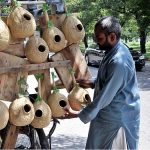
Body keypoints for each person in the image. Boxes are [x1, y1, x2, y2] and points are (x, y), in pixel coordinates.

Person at [64, 16, 140, 149]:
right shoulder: (112, 51)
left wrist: (78, 114)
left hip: (118, 119)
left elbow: (105, 97)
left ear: (112, 37)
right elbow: (110, 81)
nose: (96, 42)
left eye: (98, 38)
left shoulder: (119, 61)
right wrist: (92, 82)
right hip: (107, 116)